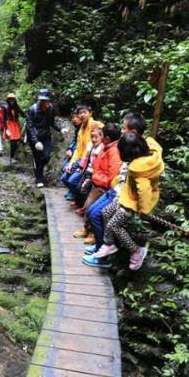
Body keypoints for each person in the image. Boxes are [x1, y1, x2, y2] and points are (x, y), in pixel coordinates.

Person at [83, 131, 164, 270]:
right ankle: (109, 244)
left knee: (114, 226)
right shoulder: (147, 154)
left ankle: (136, 251)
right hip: (125, 196)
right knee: (105, 212)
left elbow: (144, 191)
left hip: (133, 203)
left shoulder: (140, 169)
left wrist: (143, 210)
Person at [80, 112, 154, 252]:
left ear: (134, 131)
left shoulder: (134, 151)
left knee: (100, 216)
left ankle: (107, 249)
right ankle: (102, 247)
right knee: (96, 212)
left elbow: (140, 185)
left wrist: (143, 209)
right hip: (118, 190)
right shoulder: (125, 146)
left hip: (122, 196)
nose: (122, 131)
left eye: (124, 128)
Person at [26, 88, 67, 187]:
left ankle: (39, 170)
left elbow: (52, 123)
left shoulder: (51, 109)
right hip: (34, 137)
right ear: (39, 99)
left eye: (46, 100)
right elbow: (30, 126)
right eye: (42, 100)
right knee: (37, 158)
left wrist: (60, 129)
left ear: (48, 100)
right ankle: (39, 179)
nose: (44, 102)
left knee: (46, 156)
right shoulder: (33, 109)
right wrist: (35, 141)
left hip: (46, 136)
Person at [61, 105, 102, 201]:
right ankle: (75, 194)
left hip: (90, 161)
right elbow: (78, 149)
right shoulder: (81, 129)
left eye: (85, 112)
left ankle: (79, 199)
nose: (82, 115)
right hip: (81, 160)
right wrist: (71, 163)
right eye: (80, 113)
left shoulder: (96, 125)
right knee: (64, 177)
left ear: (90, 113)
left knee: (72, 180)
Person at [62, 110, 82, 200]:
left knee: (67, 170)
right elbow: (75, 141)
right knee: (64, 167)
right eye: (73, 118)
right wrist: (70, 148)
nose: (74, 119)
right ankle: (71, 190)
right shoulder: (77, 128)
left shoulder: (84, 128)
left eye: (76, 117)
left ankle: (74, 192)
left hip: (80, 157)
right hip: (75, 154)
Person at [2, 93, 25, 162]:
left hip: (15, 124)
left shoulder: (16, 106)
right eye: (10, 99)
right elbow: (4, 119)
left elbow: (22, 113)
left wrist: (28, 116)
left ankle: (14, 155)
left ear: (14, 100)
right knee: (13, 141)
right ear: (8, 100)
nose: (11, 101)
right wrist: (6, 129)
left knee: (17, 140)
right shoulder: (5, 108)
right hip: (9, 125)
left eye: (12, 99)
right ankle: (12, 157)